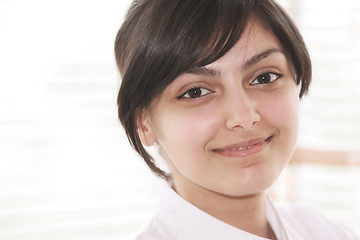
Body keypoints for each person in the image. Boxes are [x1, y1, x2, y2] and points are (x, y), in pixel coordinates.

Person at [114, 0, 360, 239]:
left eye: (264, 77)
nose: (244, 117)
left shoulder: (325, 232)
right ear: (143, 123)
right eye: (195, 92)